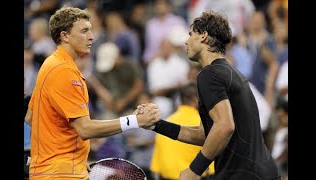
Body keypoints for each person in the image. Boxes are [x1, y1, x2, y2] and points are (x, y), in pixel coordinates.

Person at [24, 7, 161, 180]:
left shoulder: (50, 64)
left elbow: (31, 117)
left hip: (52, 170)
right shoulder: (64, 71)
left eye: (91, 29)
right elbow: (85, 128)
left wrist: (75, 156)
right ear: (65, 36)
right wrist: (135, 121)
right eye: (84, 31)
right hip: (62, 174)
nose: (92, 36)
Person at [141, 10, 280, 180]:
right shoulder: (229, 72)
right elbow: (205, 135)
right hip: (262, 172)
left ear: (203, 36)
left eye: (191, 34)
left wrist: (194, 170)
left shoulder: (209, 75)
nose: (186, 41)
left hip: (242, 175)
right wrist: (157, 125)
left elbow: (224, 126)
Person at [150, 82, 214, 180]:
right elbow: (214, 168)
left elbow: (156, 168)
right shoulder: (205, 125)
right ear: (196, 99)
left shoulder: (166, 124)